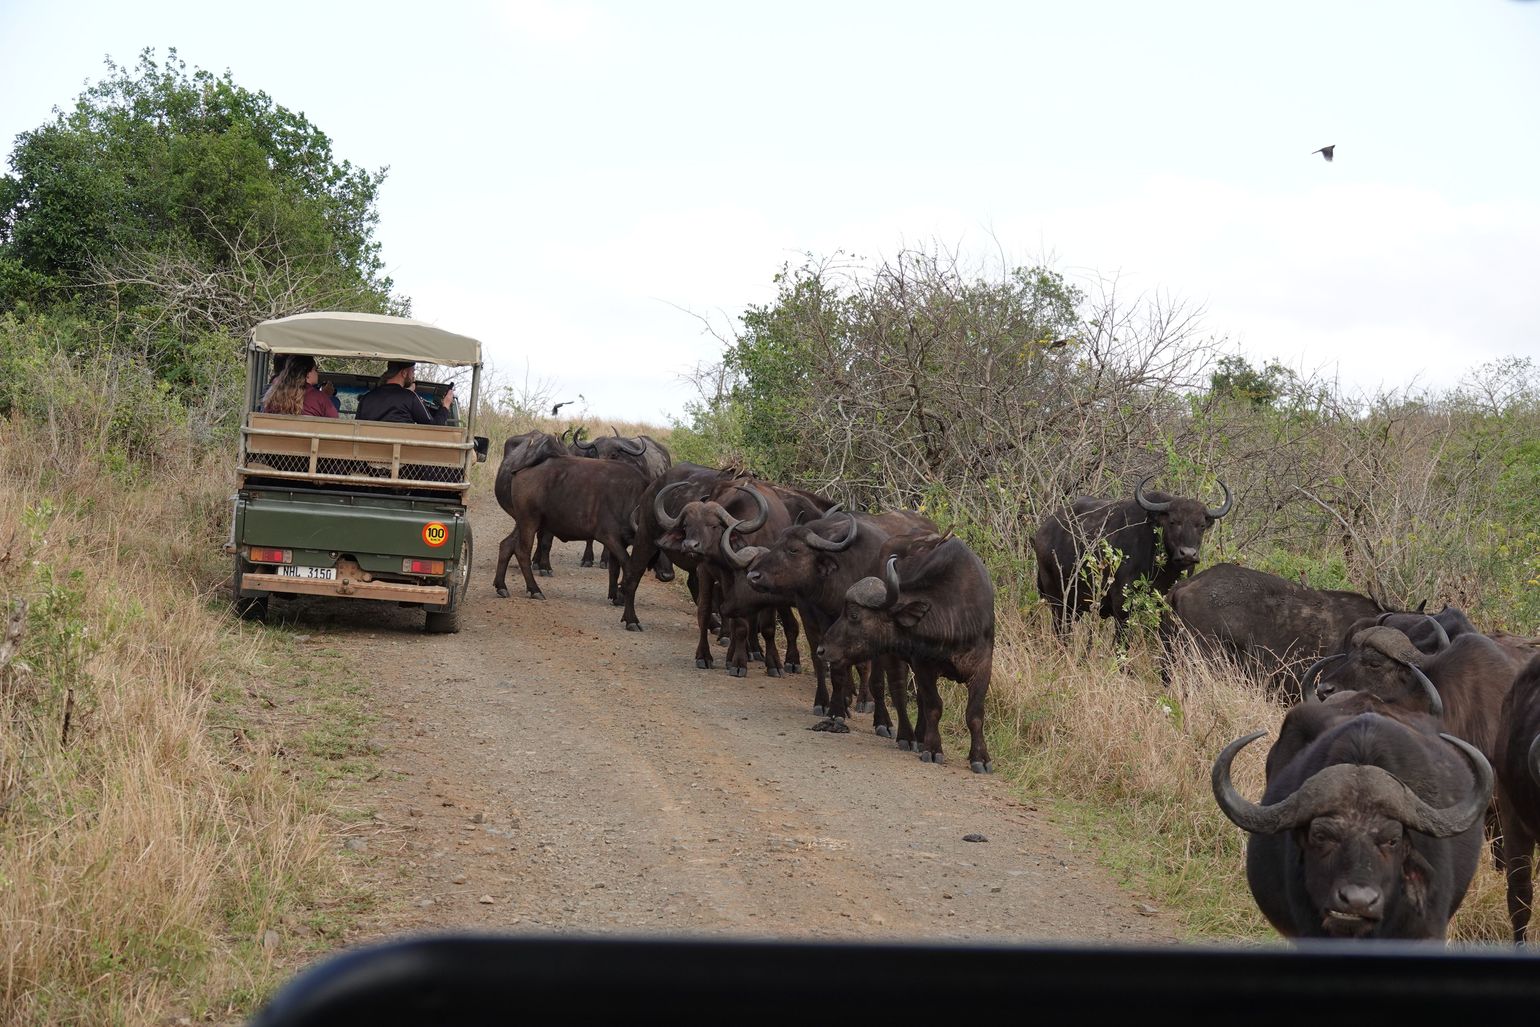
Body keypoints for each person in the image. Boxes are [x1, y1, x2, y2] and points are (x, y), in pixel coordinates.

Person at [355, 360, 455, 425]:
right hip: (401, 452)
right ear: (404, 373)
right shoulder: (409, 397)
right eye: (413, 371)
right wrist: (445, 405)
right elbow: (434, 427)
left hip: (368, 452)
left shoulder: (366, 398)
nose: (413, 376)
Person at [260, 355, 339, 418]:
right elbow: (335, 422)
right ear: (307, 373)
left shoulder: (273, 395)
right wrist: (327, 396)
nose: (317, 373)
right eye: (315, 369)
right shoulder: (319, 398)